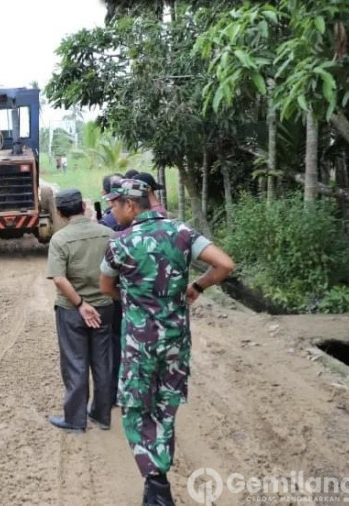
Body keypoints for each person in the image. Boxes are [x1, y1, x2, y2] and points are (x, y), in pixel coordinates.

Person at [99, 180, 234, 506]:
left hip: (139, 343)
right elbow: (225, 264)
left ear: (131, 206)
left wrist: (134, 301)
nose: (111, 210)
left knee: (135, 409)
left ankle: (156, 482)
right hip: (175, 341)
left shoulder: (120, 243)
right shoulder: (183, 232)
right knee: (165, 407)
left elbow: (106, 288)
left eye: (115, 204)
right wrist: (197, 287)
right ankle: (158, 476)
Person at [44, 189, 118, 433]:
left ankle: (75, 420)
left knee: (75, 362)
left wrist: (80, 305)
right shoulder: (109, 234)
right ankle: (102, 414)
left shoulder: (60, 239)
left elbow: (59, 279)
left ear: (60, 213)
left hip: (72, 311)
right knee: (103, 361)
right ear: (84, 207)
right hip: (106, 307)